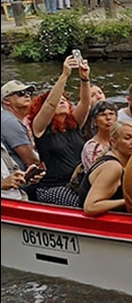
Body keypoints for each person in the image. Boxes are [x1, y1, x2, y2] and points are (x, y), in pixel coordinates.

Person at [29, 54, 93, 204]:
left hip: (79, 184)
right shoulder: (40, 127)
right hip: (53, 188)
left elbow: (85, 102)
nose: (62, 101)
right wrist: (65, 75)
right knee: (83, 203)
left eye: (65, 100)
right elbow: (50, 104)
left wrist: (84, 78)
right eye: (59, 100)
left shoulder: (74, 124)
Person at [82, 120, 132, 216]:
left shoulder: (125, 164)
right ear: (113, 142)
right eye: (127, 138)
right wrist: (127, 202)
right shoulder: (113, 167)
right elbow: (90, 207)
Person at [1, 80, 41, 170]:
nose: (27, 95)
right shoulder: (9, 121)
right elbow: (30, 161)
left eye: (29, 92)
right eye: (20, 93)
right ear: (6, 100)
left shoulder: (10, 120)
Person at [81, 100, 118, 170]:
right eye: (103, 115)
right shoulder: (91, 148)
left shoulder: (122, 141)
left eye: (111, 114)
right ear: (94, 121)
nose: (108, 118)